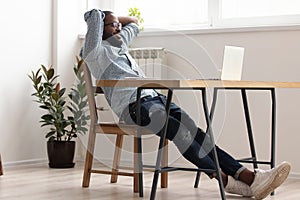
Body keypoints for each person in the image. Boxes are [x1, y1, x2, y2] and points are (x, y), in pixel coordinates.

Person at [81, 9, 291, 200]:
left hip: (157, 99)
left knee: (196, 132)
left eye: (119, 24)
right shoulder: (95, 52)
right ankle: (228, 179)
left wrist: (114, 19)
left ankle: (246, 176)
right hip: (133, 107)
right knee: (178, 131)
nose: (119, 27)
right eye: (113, 25)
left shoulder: (122, 44)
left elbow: (134, 22)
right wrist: (101, 14)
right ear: (99, 30)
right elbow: (92, 17)